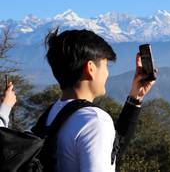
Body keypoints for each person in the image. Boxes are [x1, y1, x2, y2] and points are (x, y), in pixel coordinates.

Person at [37, 29, 155, 172]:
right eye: (105, 66)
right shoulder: (95, 120)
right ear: (91, 68)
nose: (107, 73)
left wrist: (136, 97)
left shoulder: (52, 113)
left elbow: (110, 154)